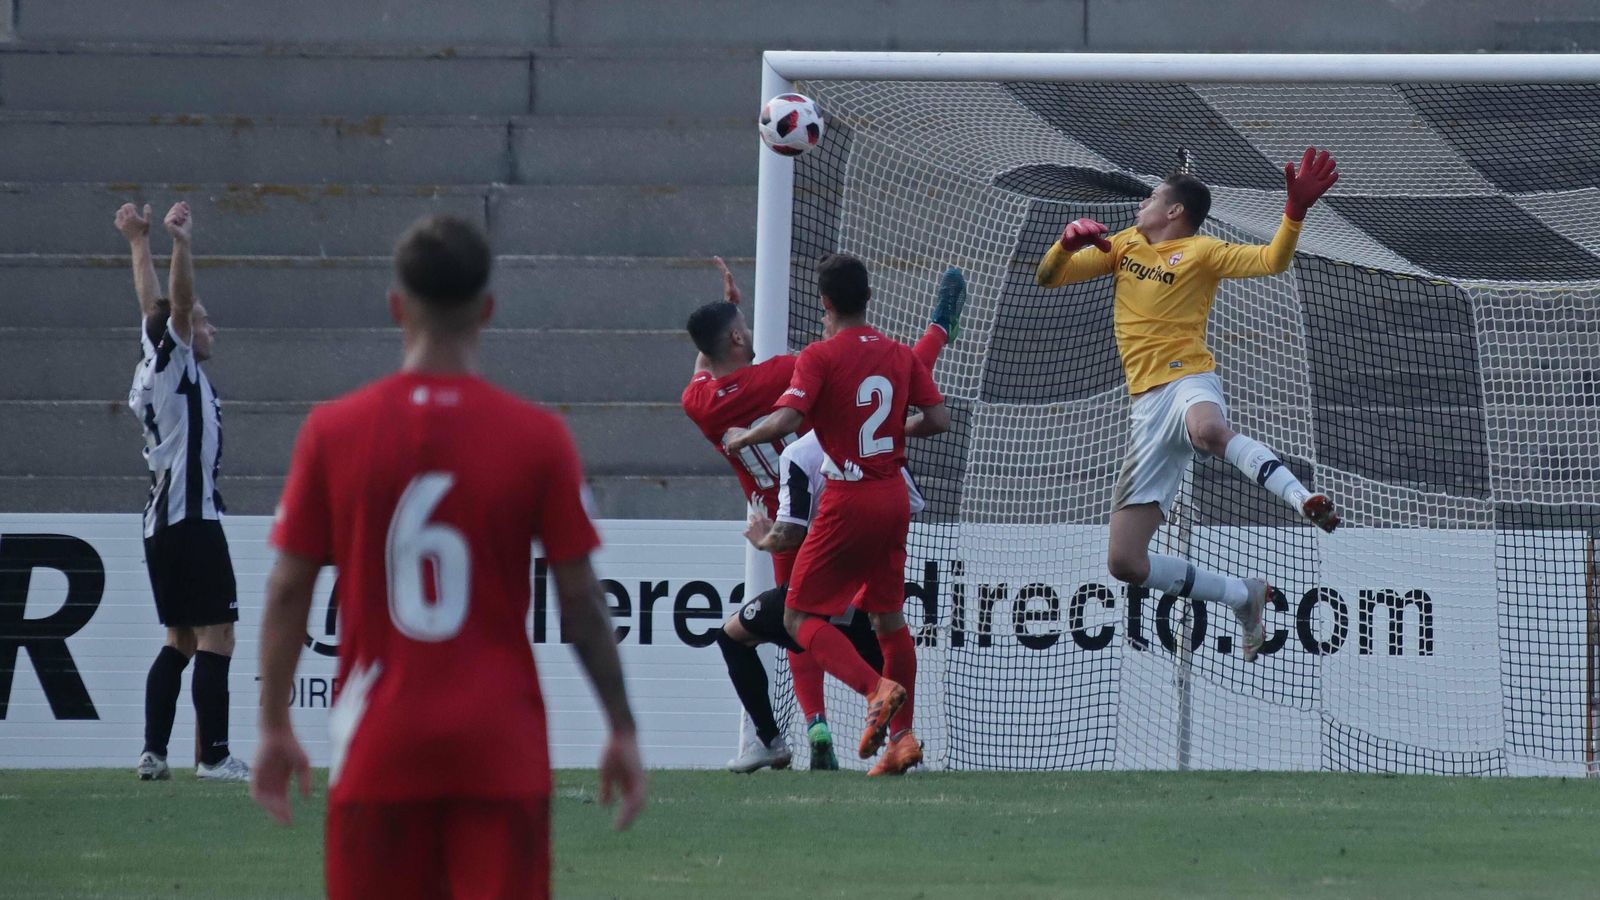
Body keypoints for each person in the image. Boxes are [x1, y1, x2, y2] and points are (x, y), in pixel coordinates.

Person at [251, 215, 646, 899]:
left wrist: (273, 724)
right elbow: (581, 599)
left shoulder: (332, 431)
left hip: (380, 743)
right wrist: (620, 726)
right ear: (487, 309)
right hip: (500, 746)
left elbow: (288, 588)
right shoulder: (538, 437)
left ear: (396, 307)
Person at [1034, 147, 1343, 663]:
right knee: (1125, 563)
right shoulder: (1125, 245)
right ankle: (1243, 595)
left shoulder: (1202, 252)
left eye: (1152, 197)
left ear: (1174, 210)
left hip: (1187, 378)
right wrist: (1064, 245)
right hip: (1146, 409)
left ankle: (1302, 498)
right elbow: (1048, 278)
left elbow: (1273, 259)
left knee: (1208, 430)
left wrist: (1294, 212)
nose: (1141, 204)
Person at [683, 258, 964, 770]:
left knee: (796, 620)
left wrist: (742, 436)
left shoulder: (699, 403)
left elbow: (714, 369)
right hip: (875, 492)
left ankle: (824, 721)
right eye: (743, 329)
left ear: (825, 303)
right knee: (885, 621)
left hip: (807, 513)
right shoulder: (786, 370)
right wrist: (931, 340)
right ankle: (901, 737)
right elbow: (894, 381)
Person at [121, 200, 248, 783]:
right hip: (191, 518)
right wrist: (180, 244)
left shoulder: (154, 364)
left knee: (180, 639)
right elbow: (170, 304)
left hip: (162, 523)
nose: (211, 328)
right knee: (218, 635)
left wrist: (137, 242)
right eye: (204, 320)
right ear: (183, 328)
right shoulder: (176, 361)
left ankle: (153, 752)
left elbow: (152, 305)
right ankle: (215, 756)